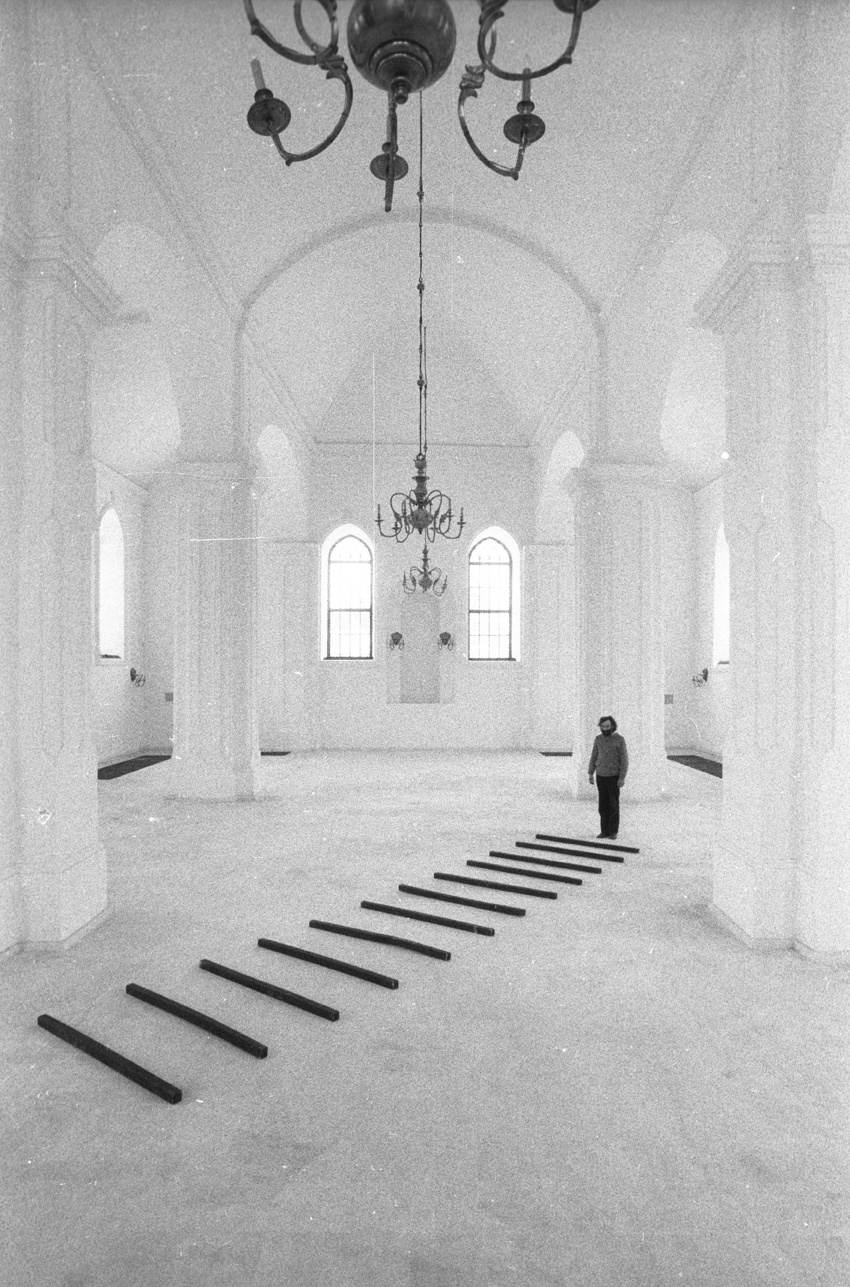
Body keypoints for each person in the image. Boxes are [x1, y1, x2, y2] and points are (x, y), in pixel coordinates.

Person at [588, 716, 628, 839]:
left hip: (614, 777)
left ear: (612, 727)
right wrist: (590, 773)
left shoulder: (620, 740)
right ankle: (604, 830)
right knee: (603, 805)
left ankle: (613, 831)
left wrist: (622, 777)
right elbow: (594, 756)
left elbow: (624, 760)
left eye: (607, 726)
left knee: (613, 805)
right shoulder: (598, 739)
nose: (605, 728)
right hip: (601, 776)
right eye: (603, 726)